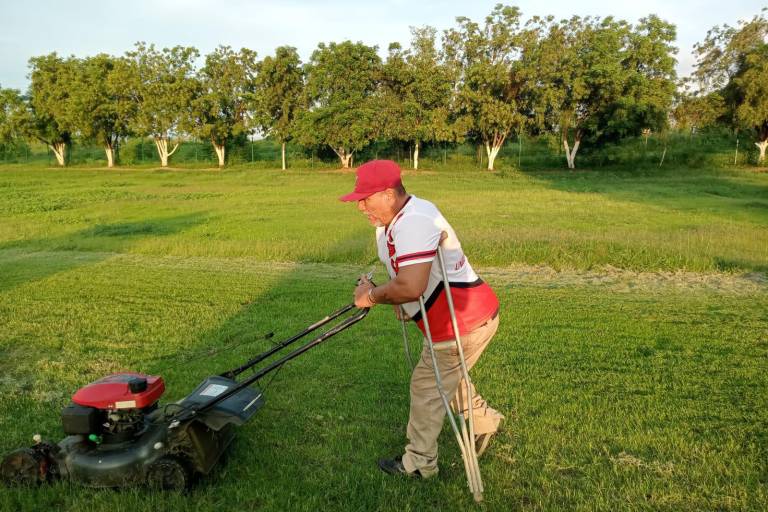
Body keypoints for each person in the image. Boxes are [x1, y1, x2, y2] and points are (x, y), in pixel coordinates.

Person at [339, 159, 503, 479]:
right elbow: (409, 281)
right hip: (470, 316)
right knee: (446, 379)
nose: (360, 206)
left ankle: (419, 464)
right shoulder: (394, 220)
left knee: (427, 386)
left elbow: (411, 285)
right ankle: (484, 422)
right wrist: (396, 297)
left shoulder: (414, 221)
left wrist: (371, 296)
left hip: (461, 323)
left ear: (388, 194)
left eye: (366, 198)